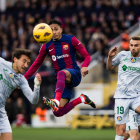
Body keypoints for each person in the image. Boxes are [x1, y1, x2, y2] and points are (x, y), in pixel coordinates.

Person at [24, 19, 96, 117]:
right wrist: (23, 79)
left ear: (61, 30)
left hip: (74, 74)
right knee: (58, 112)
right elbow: (36, 64)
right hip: (62, 82)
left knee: (61, 73)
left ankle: (56, 101)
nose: (54, 32)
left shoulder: (71, 39)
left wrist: (84, 66)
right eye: (51, 30)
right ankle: (81, 99)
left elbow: (87, 55)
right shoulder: (46, 45)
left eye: (56, 29)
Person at [0, 48, 42, 140]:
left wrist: (37, 86)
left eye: (28, 63)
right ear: (15, 59)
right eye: (24, 61)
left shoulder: (21, 80)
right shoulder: (1, 63)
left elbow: (33, 100)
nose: (26, 65)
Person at [106, 36, 140, 140]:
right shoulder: (122, 55)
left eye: (136, 45)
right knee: (121, 130)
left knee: (134, 132)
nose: (133, 47)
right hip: (122, 97)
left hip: (136, 97)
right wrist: (110, 57)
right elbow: (109, 67)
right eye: (131, 45)